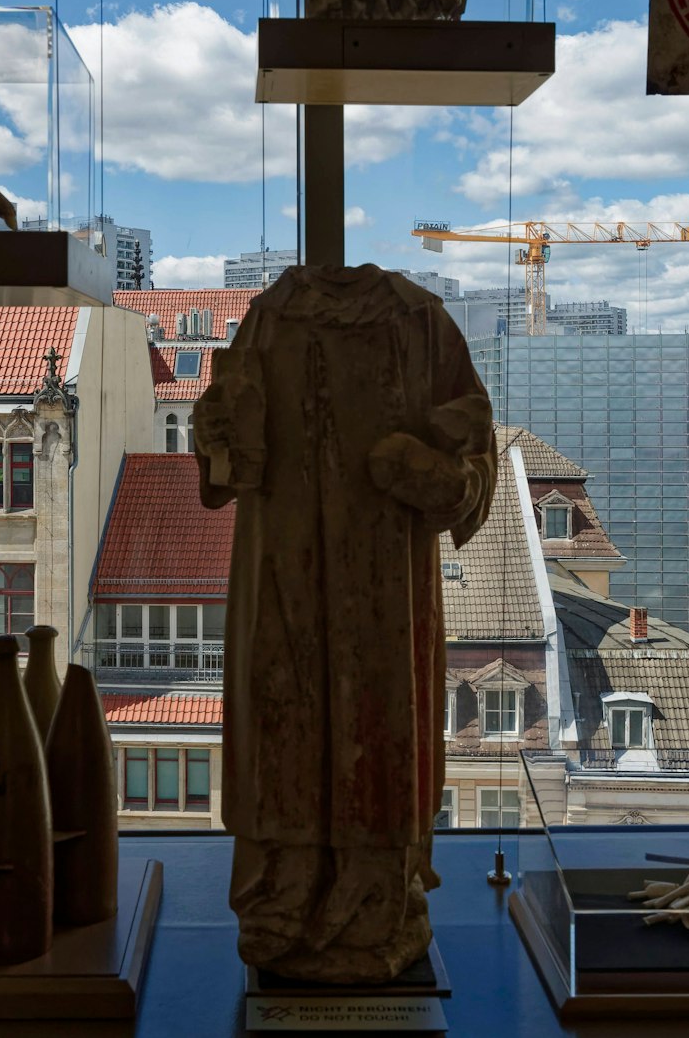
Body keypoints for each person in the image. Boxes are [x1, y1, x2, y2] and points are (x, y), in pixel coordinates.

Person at [196, 265, 495, 984]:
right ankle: (284, 893)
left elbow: (474, 454)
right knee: (283, 729)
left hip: (381, 589)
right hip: (284, 576)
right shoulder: (270, 318)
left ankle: (373, 900)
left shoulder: (420, 322)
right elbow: (218, 466)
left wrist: (433, 475)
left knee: (377, 732)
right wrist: (220, 431)